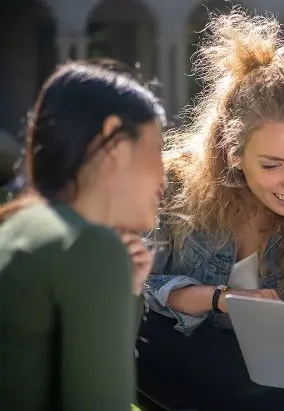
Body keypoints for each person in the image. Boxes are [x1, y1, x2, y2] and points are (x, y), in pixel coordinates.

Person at [136, 8, 284, 411]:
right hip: (177, 370)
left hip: (272, 394)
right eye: (272, 165)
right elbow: (129, 296)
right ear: (233, 154)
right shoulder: (173, 185)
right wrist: (218, 297)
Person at [0, 61, 166, 410]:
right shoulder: (88, 247)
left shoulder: (19, 227)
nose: (163, 176)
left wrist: (127, 292)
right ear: (114, 139)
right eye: (157, 148)